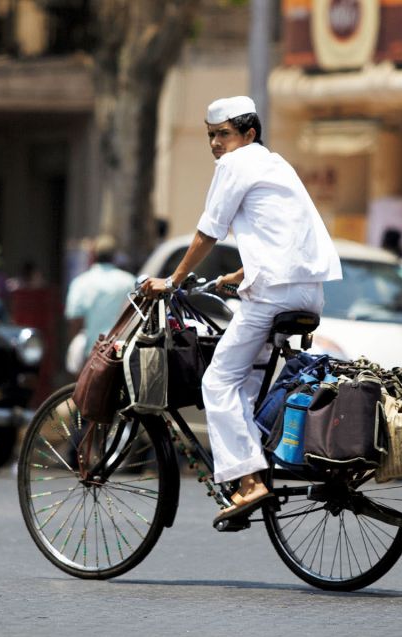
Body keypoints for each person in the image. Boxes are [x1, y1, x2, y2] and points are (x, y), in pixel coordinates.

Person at [140, 95, 342, 525]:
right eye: (211, 136)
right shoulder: (275, 164)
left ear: (248, 134)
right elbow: (280, 232)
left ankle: (251, 483)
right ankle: (251, 469)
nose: (216, 144)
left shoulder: (236, 164)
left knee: (217, 381)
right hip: (308, 293)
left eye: (224, 134)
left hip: (272, 296)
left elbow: (208, 231)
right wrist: (239, 274)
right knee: (246, 382)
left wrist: (173, 281)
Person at [64, 234, 135, 371]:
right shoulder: (129, 282)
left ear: (93, 256)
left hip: (92, 352)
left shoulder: (81, 282)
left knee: (86, 390)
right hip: (120, 350)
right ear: (114, 257)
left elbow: (74, 320)